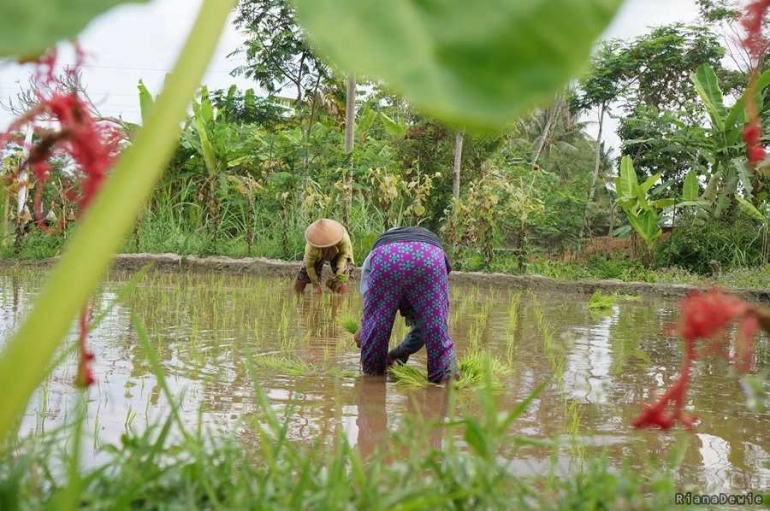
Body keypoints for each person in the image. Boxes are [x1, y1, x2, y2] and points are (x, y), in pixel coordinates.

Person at [355, 226, 456, 383]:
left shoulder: (379, 249)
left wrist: (366, 327)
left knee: (376, 328)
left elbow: (370, 302)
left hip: (386, 258)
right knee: (437, 329)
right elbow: (424, 330)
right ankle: (446, 374)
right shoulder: (428, 251)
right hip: (429, 256)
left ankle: (372, 380)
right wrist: (397, 354)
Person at [294, 218, 354, 294]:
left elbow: (344, 254)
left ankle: (341, 299)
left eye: (328, 248)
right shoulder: (311, 248)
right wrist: (316, 285)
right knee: (303, 275)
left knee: (342, 277)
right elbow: (309, 266)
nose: (326, 251)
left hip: (340, 253)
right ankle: (298, 298)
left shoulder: (343, 238)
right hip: (315, 255)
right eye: (323, 249)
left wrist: (340, 269)